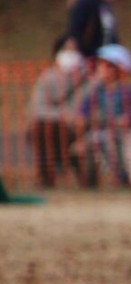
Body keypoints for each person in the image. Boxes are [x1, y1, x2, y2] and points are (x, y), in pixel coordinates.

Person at [76, 43, 131, 187]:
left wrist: (114, 121)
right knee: (91, 144)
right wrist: (84, 126)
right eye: (101, 65)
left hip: (126, 133)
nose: (104, 70)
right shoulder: (96, 90)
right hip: (104, 130)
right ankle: (90, 181)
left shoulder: (127, 91)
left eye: (109, 66)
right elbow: (83, 112)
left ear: (119, 69)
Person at [26, 36, 89, 188]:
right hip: (50, 126)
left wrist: (74, 117)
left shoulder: (87, 79)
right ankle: (46, 178)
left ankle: (85, 179)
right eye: (67, 50)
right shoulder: (47, 78)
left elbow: (88, 107)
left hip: (76, 128)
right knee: (41, 130)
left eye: (74, 50)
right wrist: (62, 115)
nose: (71, 53)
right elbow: (34, 108)